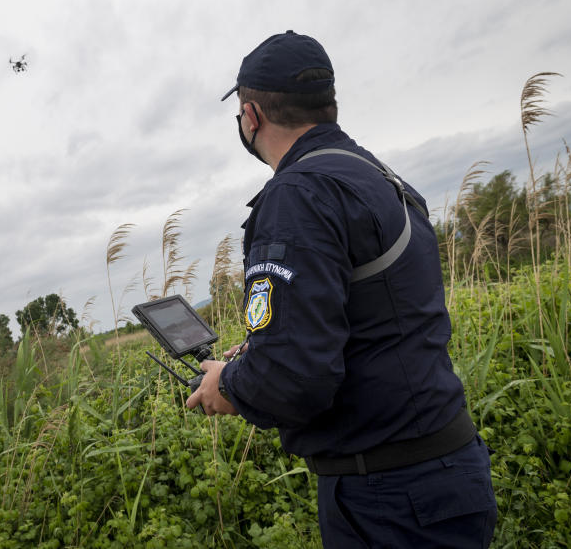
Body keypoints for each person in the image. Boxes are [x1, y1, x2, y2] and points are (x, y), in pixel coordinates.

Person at [185, 31, 497, 548]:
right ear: (327, 105)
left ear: (252, 116)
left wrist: (232, 386)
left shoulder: (298, 195)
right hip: (447, 468)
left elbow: (294, 376)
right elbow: (370, 317)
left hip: (389, 497)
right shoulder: (380, 178)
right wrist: (264, 348)